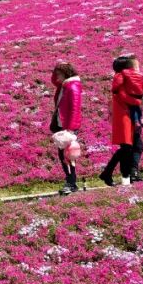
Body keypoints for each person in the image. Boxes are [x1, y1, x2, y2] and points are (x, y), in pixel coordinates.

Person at [101, 56, 143, 186]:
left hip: (129, 117)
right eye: (133, 67)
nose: (136, 70)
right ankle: (127, 177)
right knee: (129, 148)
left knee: (129, 147)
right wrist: (141, 98)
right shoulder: (121, 80)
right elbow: (129, 99)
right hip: (126, 118)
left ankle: (109, 173)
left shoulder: (124, 79)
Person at [49, 63, 83, 195]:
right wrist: (56, 67)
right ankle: (70, 181)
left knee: (68, 156)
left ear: (65, 74)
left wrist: (70, 129)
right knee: (64, 155)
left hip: (68, 127)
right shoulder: (63, 85)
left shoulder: (72, 87)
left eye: (58, 74)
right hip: (60, 125)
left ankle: (71, 182)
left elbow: (75, 109)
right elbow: (53, 81)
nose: (56, 77)